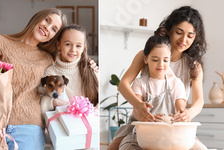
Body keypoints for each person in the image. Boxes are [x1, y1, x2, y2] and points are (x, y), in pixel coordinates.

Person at [110, 6, 207, 150]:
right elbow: (123, 84)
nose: (183, 39)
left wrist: (188, 114)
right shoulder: (145, 55)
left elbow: (199, 100)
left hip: (175, 126)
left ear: (196, 37)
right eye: (179, 32)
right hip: (142, 122)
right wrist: (138, 104)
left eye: (190, 36)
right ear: (169, 30)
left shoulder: (194, 65)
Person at [0, 8, 66, 150]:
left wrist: (92, 69)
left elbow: (69, 73)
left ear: (53, 37)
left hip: (30, 130)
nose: (47, 27)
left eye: (54, 29)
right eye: (47, 20)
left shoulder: (48, 59)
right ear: (37, 18)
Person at [40, 25, 99, 107]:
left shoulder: (91, 69)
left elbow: (101, 96)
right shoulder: (50, 72)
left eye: (78, 46)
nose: (73, 50)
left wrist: (97, 109)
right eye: (68, 44)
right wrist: (52, 103)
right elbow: (40, 98)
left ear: (83, 48)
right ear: (58, 45)